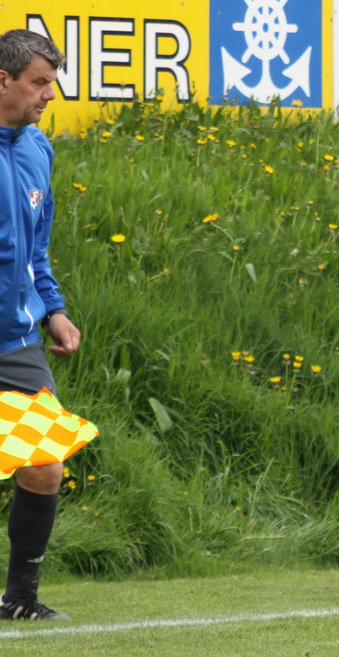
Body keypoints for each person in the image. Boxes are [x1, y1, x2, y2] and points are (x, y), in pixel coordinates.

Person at [0, 30, 80, 620]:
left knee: (45, 466)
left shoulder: (38, 149)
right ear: (2, 80)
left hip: (16, 343)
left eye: (51, 83)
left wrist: (52, 308)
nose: (49, 95)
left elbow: (36, 248)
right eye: (39, 83)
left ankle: (20, 600)